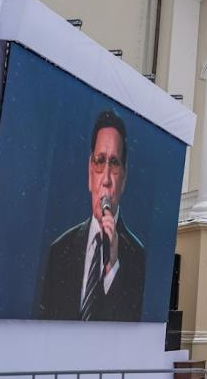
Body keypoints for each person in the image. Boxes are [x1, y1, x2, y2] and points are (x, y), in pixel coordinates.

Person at [37, 110, 146, 321]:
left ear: (124, 178)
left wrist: (112, 266)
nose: (106, 179)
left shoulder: (137, 256)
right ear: (90, 172)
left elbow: (128, 321)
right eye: (100, 161)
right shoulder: (60, 249)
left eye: (114, 163)